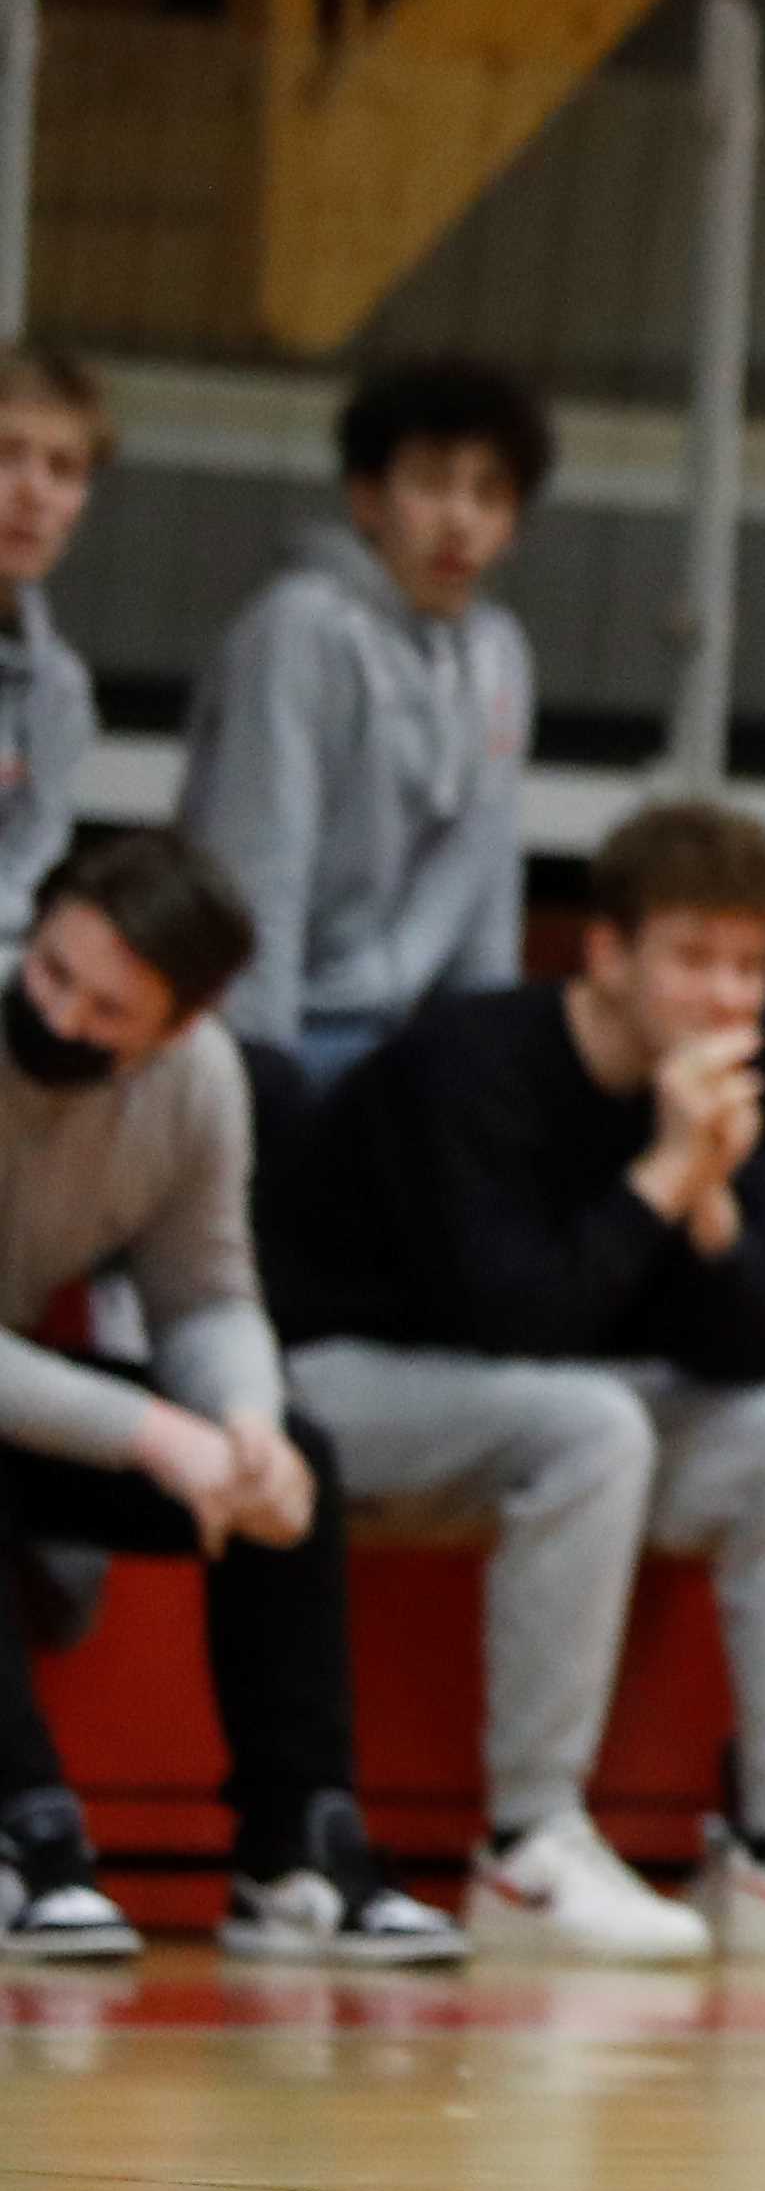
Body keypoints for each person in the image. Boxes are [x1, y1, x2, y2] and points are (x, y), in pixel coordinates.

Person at [271, 800, 765, 1967]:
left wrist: (708, 1202)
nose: (727, 998)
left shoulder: (760, 1064)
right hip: (337, 1384)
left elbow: (762, 1343)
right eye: (693, 959)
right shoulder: (469, 1063)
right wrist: (660, 1171)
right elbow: (514, 1320)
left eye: (749, 965)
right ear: (606, 953)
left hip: (545, 1403)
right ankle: (529, 1845)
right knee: (590, 1424)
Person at [0, 831, 459, 1966]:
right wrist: (158, 1434)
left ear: (184, 1025)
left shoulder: (199, 1085)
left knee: (287, 1452)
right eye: (54, 974)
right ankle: (26, 1836)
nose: (63, 1021)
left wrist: (244, 1424)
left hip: (24, 1396)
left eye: (110, 1012)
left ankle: (295, 1844)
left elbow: (203, 1295)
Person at [180, 355, 545, 1085]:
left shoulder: (501, 653)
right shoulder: (301, 628)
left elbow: (488, 873)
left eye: (490, 493)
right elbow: (260, 864)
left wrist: (490, 1059)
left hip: (408, 1042)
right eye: (433, 483)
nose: (460, 519)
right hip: (284, 1028)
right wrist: (258, 1068)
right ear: (367, 498)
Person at [0, 348, 119, 940]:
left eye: (63, 469)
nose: (33, 492)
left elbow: (26, 871)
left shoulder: (59, 687)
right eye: (6, 455)